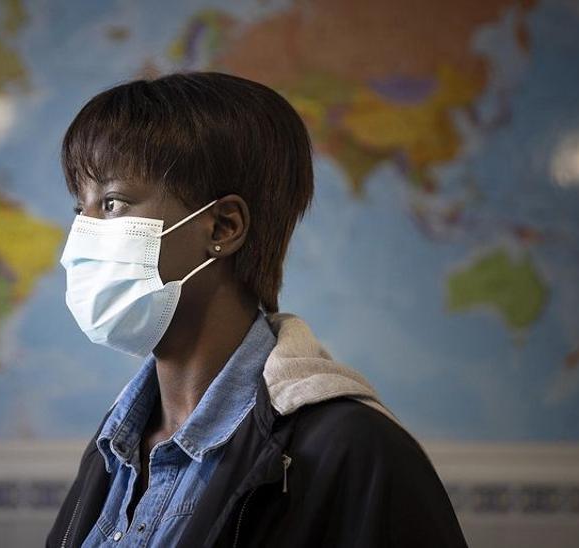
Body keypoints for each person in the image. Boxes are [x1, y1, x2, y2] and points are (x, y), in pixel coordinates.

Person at [47, 72, 466, 547]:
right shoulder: (117, 446)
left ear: (223, 227)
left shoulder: (354, 450)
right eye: (80, 209)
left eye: (113, 203)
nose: (82, 236)